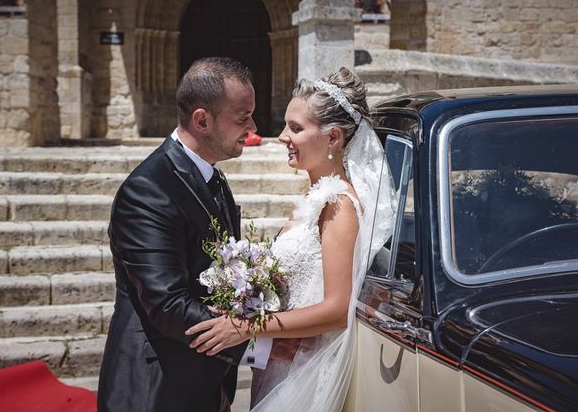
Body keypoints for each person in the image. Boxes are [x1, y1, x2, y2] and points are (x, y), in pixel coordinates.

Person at [186, 67, 397, 410]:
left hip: (304, 369)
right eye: (286, 125)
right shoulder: (315, 200)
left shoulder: (337, 205)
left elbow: (336, 309)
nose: (282, 136)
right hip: (280, 363)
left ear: (333, 138)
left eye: (296, 128)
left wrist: (247, 326)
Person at [97, 57, 273, 412]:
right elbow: (168, 305)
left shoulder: (214, 176)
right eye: (242, 117)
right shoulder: (147, 191)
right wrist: (262, 343)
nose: (253, 126)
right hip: (157, 389)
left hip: (203, 385)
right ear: (202, 120)